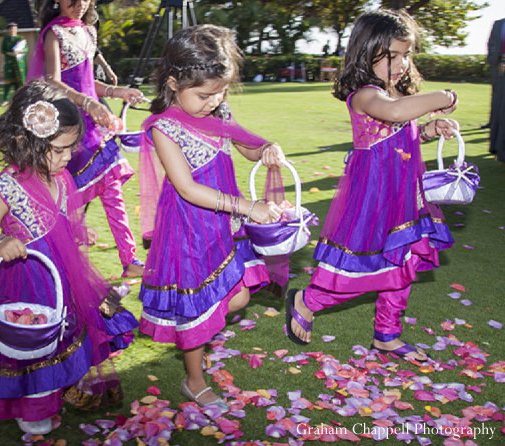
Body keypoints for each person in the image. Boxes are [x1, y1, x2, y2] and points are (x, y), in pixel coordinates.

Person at [0, 80, 138, 435]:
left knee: (63, 337)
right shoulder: (5, 186)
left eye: (71, 148)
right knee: (33, 344)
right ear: (28, 142)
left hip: (63, 279)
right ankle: (33, 407)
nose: (68, 157)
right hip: (25, 283)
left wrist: (76, 232)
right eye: (59, 150)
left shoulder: (64, 179)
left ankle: (54, 393)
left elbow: (62, 220)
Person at [285, 10, 459, 361]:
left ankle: (387, 334)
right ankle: (308, 300)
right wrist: (446, 96)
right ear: (367, 54)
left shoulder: (396, 95)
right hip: (373, 199)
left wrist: (427, 131)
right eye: (391, 56)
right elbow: (392, 113)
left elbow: (400, 137)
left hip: (404, 196)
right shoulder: (365, 95)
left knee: (402, 265)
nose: (401, 64)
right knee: (357, 267)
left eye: (406, 55)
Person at [138, 24, 285, 410]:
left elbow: (246, 146)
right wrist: (248, 207)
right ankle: (194, 378)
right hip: (187, 229)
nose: (214, 100)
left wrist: (267, 148)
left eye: (221, 91)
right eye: (205, 94)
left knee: (236, 297)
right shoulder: (164, 127)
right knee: (198, 306)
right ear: (173, 83)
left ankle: (198, 345)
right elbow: (187, 188)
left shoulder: (218, 112)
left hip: (221, 225)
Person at [29, 0, 146, 277]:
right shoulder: (53, 34)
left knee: (112, 188)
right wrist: (87, 103)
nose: (79, 3)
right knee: (71, 200)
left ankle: (130, 261)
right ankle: (59, 259)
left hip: (96, 125)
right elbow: (52, 81)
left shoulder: (88, 31)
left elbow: (89, 81)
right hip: (69, 126)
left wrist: (119, 92)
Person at [488, 18, 505, 161]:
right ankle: (496, 147)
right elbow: (492, 44)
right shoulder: (499, 24)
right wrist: (497, 61)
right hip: (499, 72)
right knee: (499, 109)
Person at [1, 22, 28, 107]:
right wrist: (10, 53)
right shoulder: (6, 39)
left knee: (20, 81)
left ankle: (19, 99)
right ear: (8, 30)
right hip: (9, 62)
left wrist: (19, 52)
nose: (12, 30)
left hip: (19, 63)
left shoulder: (21, 39)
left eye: (14, 28)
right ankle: (5, 99)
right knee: (8, 82)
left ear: (16, 29)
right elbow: (3, 50)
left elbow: (26, 49)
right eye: (10, 28)